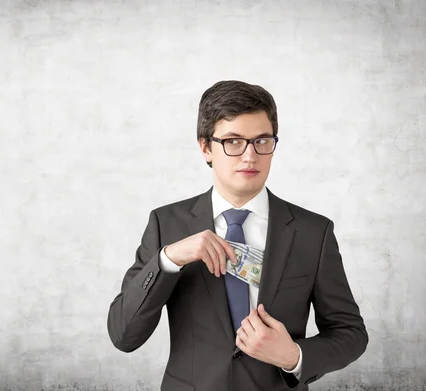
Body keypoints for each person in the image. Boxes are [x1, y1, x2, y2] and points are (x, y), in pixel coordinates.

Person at [106, 80, 368, 391]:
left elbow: (350, 332)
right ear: (206, 147)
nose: (249, 156)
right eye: (233, 142)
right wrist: (168, 259)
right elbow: (123, 335)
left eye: (262, 141)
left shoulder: (314, 232)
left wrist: (294, 356)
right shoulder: (167, 223)